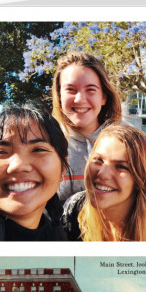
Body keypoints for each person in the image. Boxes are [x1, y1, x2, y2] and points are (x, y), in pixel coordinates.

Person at [62, 125, 146, 241]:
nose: (103, 173)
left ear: (141, 179)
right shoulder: (73, 209)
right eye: (98, 160)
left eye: (121, 166)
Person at [52, 51, 122, 202]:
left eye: (90, 89)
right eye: (70, 89)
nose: (80, 99)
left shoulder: (127, 141)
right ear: (59, 96)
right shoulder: (46, 144)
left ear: (103, 97)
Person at [0, 103, 69, 241]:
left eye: (38, 150)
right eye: (0, 152)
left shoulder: (58, 236)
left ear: (63, 169)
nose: (18, 166)